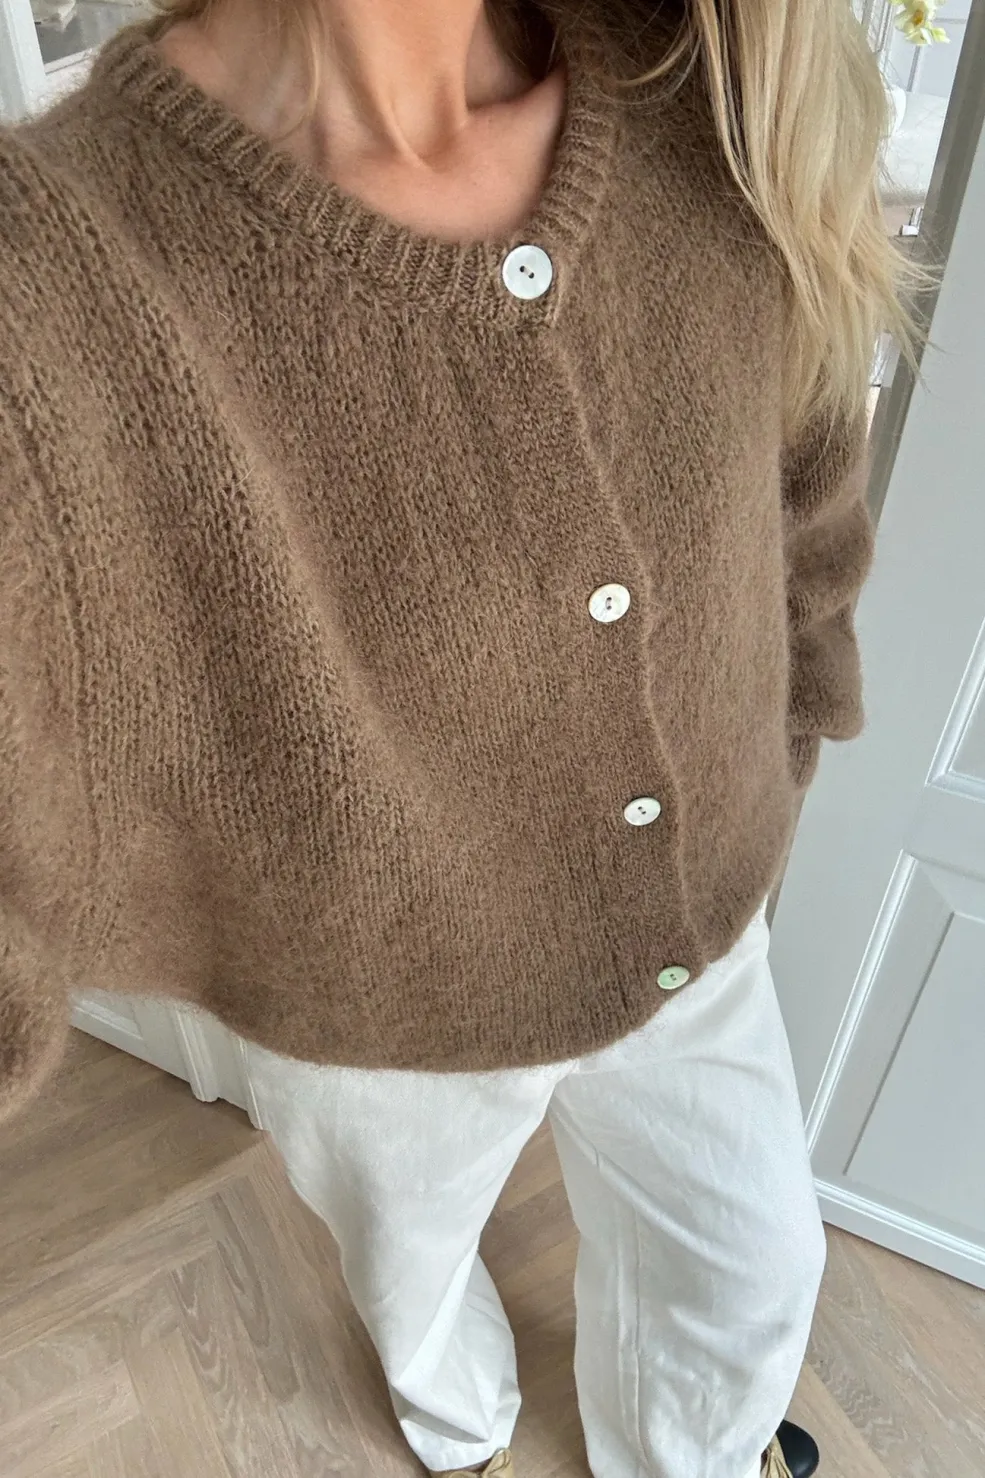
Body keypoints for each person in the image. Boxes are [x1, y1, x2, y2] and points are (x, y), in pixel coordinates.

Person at [0, 0, 916, 1474]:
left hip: (691, 928)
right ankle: (460, 1430)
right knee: (412, 1276)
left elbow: (801, 461)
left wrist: (798, 704)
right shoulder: (51, 277)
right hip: (376, 1014)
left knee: (755, 1262)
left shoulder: (700, 88)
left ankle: (694, 1452)